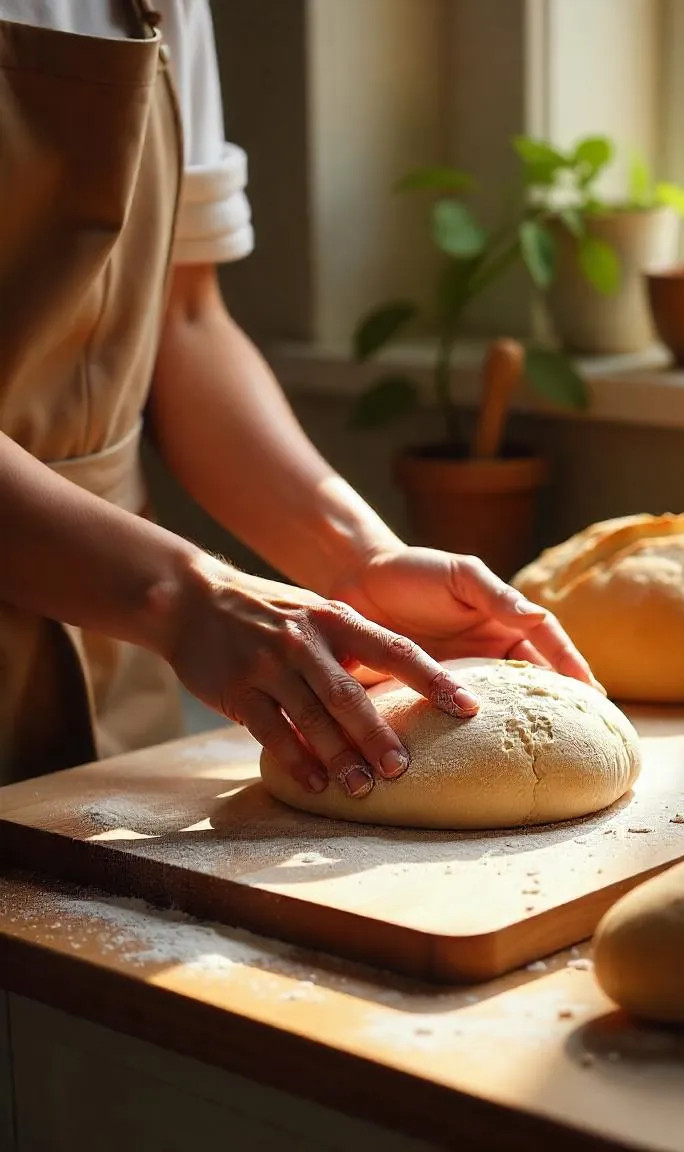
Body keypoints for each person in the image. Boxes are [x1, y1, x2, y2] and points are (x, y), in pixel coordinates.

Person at [0, 0, 596, 796]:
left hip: (111, 663)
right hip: (135, 595)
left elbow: (183, 318)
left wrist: (357, 557)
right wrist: (181, 593)